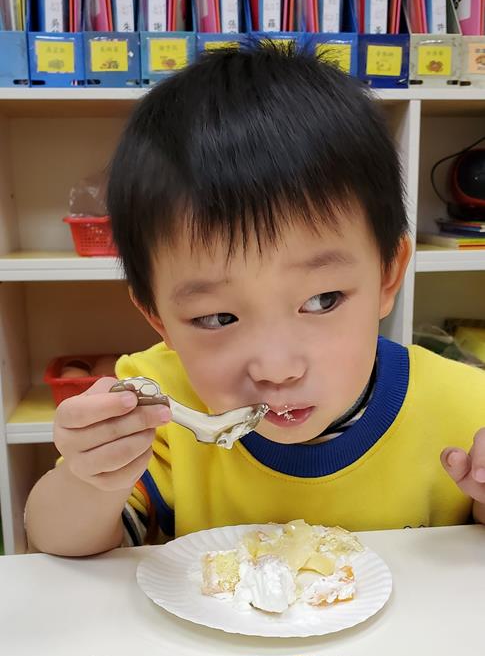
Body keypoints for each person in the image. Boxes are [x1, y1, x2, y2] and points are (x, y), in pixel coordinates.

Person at [26, 44, 485, 556]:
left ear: (387, 277)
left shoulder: (466, 407)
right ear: (158, 317)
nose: (277, 369)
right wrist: (91, 481)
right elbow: (55, 542)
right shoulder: (162, 405)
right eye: (217, 317)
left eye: (322, 300)